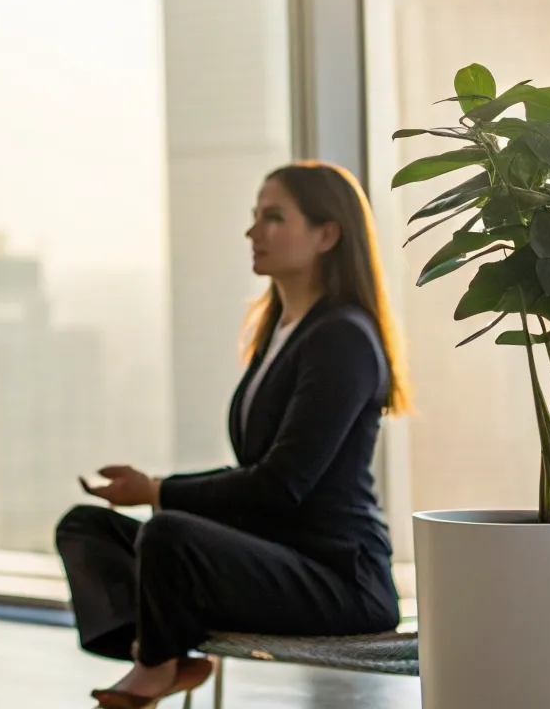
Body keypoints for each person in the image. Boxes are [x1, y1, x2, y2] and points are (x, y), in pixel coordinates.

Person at [57, 162, 411, 708]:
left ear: (327, 234)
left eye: (273, 217)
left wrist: (157, 491)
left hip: (340, 580)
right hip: (272, 558)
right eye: (255, 218)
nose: (253, 233)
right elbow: (255, 478)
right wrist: (153, 490)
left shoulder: (342, 338)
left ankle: (156, 664)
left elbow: (280, 485)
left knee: (167, 535)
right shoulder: (280, 333)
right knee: (86, 529)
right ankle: (165, 650)